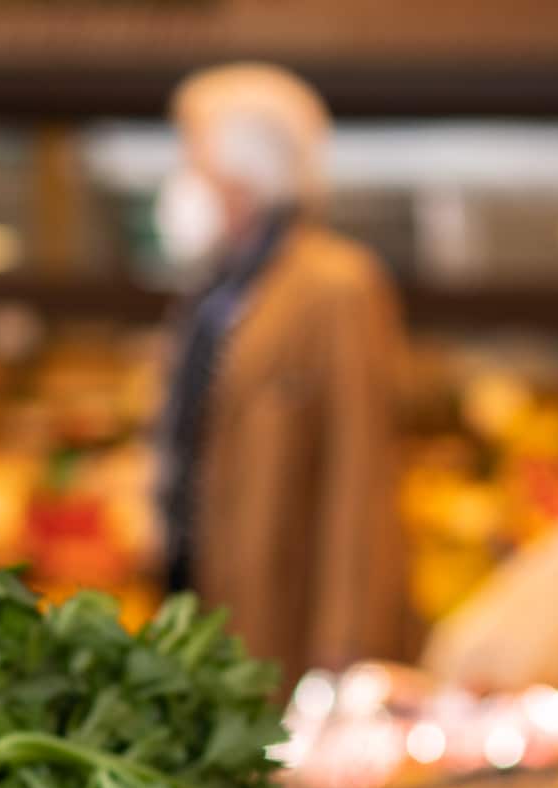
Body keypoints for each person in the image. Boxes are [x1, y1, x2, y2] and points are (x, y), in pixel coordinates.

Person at [156, 64, 409, 681]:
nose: (183, 175)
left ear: (245, 173)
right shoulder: (214, 291)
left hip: (283, 615)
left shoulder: (336, 288)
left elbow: (361, 473)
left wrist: (348, 640)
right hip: (203, 597)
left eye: (196, 156)